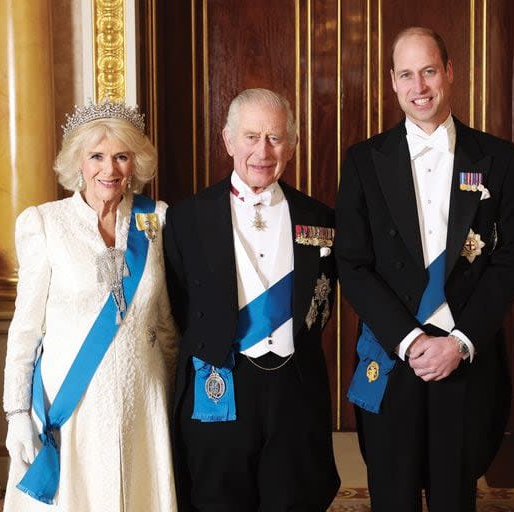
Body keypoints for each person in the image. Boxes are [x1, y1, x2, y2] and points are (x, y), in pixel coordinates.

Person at [336, 27, 514, 511]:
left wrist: (460, 341)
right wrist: (412, 341)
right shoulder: (363, 160)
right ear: (393, 83)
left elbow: (510, 258)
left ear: (449, 73)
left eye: (428, 71)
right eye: (406, 74)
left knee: (454, 496)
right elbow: (352, 264)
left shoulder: (498, 158)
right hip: (394, 351)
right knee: (392, 496)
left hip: (464, 354)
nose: (419, 86)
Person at [164, 88, 340, 511]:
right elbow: (175, 305)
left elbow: (322, 304)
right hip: (219, 385)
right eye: (251, 137)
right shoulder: (186, 217)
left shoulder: (320, 219)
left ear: (293, 145)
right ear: (228, 141)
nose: (263, 151)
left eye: (275, 138)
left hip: (294, 390)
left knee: (292, 500)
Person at [2, 100, 178, 511]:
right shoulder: (44, 223)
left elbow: (166, 322)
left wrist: (170, 401)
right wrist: (15, 414)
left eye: (121, 156)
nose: (109, 169)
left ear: (136, 162)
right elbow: (25, 330)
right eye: (96, 156)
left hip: (143, 400)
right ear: (77, 163)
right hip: (72, 406)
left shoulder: (157, 221)